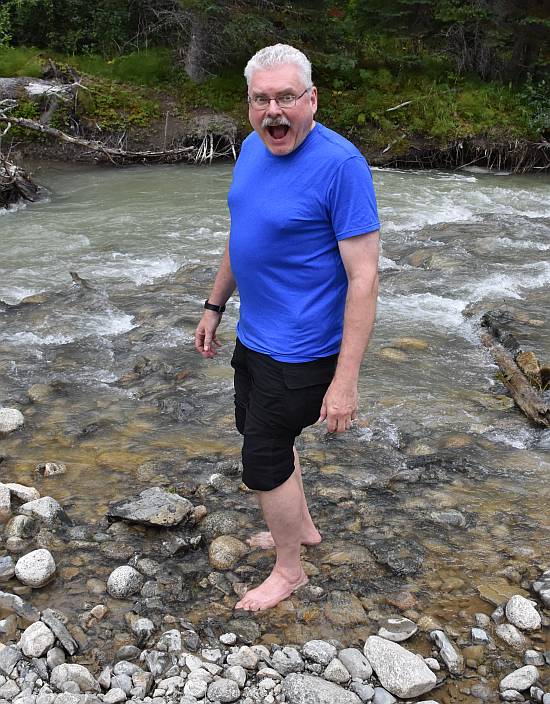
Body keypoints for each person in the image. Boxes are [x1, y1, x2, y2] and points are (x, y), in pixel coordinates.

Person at [194, 43, 380, 612]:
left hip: (304, 349)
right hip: (255, 335)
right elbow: (241, 234)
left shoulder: (341, 166)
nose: (274, 111)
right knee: (259, 430)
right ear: (249, 106)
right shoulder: (252, 148)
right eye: (261, 99)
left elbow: (365, 278)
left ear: (311, 99)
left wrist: (345, 381)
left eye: (286, 98)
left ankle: (289, 569)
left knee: (264, 457)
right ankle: (300, 528)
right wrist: (214, 304)